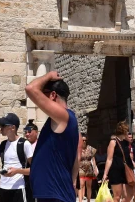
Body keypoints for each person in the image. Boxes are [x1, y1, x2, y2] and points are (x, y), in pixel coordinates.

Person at [26, 71, 80, 202]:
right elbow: (76, 156)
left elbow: (31, 88)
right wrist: (72, 181)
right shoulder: (68, 120)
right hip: (55, 192)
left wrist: (49, 76)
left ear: (53, 95)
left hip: (55, 193)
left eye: (43, 94)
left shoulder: (63, 116)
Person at [0, 113, 33, 202]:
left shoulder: (25, 144)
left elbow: (35, 170)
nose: (0, 128)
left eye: (3, 125)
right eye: (0, 125)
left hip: (19, 188)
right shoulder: (2, 145)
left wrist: (17, 171)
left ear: (13, 128)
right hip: (3, 189)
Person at [102, 121, 135, 202]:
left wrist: (134, 165)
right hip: (116, 171)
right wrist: (105, 174)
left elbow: (128, 157)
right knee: (117, 196)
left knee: (129, 195)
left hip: (126, 170)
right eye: (126, 131)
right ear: (123, 131)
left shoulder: (126, 142)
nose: (128, 133)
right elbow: (109, 159)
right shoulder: (113, 142)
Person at [78, 133, 98, 202]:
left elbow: (93, 159)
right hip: (80, 167)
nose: (84, 142)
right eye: (82, 140)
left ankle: (88, 200)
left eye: (85, 140)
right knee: (81, 184)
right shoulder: (77, 148)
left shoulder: (90, 148)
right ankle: (80, 200)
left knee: (89, 186)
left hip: (89, 168)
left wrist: (95, 168)